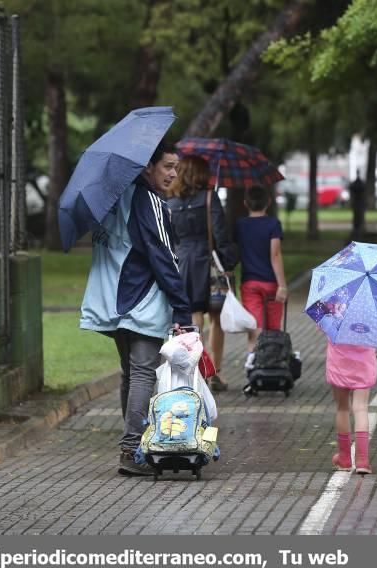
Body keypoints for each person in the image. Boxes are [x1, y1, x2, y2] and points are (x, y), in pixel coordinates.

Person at [79, 140, 192, 477]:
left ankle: (135, 443)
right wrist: (183, 310)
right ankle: (132, 450)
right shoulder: (150, 201)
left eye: (176, 167)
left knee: (131, 373)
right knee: (143, 371)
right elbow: (165, 258)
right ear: (148, 167)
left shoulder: (115, 199)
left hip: (113, 300)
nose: (173, 173)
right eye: (167, 166)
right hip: (140, 299)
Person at [166, 155, 237, 392]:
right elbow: (219, 233)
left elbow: (169, 236)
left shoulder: (170, 202)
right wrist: (229, 260)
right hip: (208, 263)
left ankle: (198, 371)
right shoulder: (209, 198)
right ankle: (215, 370)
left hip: (182, 263)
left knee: (194, 316)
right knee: (216, 318)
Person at [235, 185, 287, 368]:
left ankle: (252, 360)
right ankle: (272, 362)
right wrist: (282, 285)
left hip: (249, 282)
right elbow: (275, 255)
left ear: (245, 203)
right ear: (269, 202)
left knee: (255, 325)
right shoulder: (273, 224)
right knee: (273, 327)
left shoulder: (240, 225)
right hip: (271, 283)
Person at [326, 339, 377, 474]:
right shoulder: (370, 317)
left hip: (339, 363)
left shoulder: (333, 316)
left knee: (342, 408)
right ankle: (362, 461)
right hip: (364, 364)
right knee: (361, 409)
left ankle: (344, 458)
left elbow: (322, 325)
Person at [348, 169, 366, 238]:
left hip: (357, 202)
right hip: (359, 202)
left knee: (357, 216)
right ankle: (358, 230)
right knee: (359, 216)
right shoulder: (360, 183)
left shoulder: (355, 184)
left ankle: (357, 230)